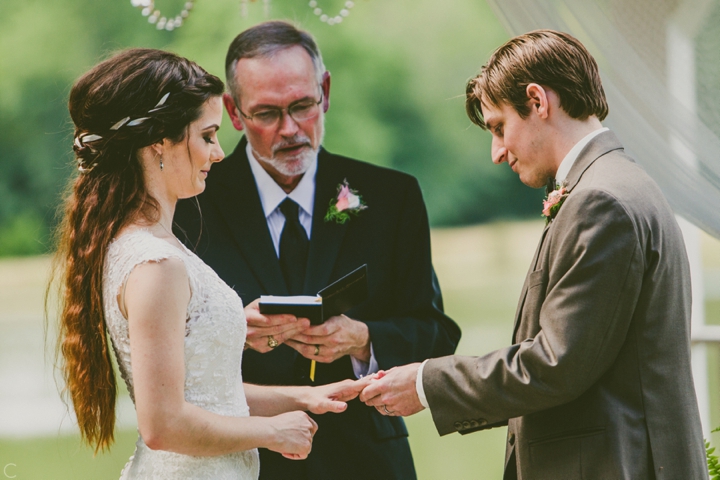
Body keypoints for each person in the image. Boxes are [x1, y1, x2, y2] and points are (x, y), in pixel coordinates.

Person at [359, 30, 707, 478]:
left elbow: (556, 364)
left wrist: (427, 384)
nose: (497, 153)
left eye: (499, 127)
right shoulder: (618, 183)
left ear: (538, 101)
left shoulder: (600, 201)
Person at [50, 48, 366, 480]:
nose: (218, 153)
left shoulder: (151, 247)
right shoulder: (155, 263)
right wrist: (271, 432)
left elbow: (208, 397)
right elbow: (164, 425)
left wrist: (305, 397)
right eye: (207, 135)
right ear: (160, 140)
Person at [173, 21, 461, 480]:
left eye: (302, 106)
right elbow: (167, 359)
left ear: (324, 91)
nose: (289, 130)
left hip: (368, 461)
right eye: (266, 113)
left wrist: (364, 339)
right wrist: (233, 330)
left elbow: (436, 335)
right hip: (242, 461)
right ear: (232, 111)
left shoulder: (391, 196)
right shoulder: (189, 207)